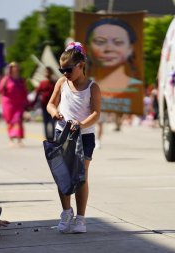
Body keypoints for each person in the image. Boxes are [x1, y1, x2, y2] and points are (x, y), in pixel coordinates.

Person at [47, 41, 101, 233]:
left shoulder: (92, 87)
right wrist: (54, 113)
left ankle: (81, 219)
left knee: (81, 177)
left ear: (81, 65)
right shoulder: (62, 83)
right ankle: (66, 212)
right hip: (62, 134)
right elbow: (51, 104)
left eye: (68, 69)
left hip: (84, 136)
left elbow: (96, 113)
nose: (64, 73)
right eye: (62, 69)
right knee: (63, 174)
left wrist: (82, 124)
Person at [85, 18, 142, 92]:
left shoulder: (137, 87)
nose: (109, 49)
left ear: (130, 48)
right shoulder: (80, 88)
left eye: (118, 42)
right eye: (100, 42)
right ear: (88, 47)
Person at [0, 62, 28, 147]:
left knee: (18, 120)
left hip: (19, 103)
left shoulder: (21, 79)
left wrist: (26, 102)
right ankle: (11, 139)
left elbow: (25, 91)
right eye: (13, 67)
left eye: (16, 67)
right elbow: (0, 90)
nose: (15, 68)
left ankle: (19, 139)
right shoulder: (6, 79)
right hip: (8, 103)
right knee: (10, 122)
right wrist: (5, 79)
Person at [31, 66, 56, 140]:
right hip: (44, 105)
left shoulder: (54, 83)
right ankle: (47, 138)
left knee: (52, 122)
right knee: (45, 122)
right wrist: (33, 103)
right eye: (46, 72)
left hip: (52, 106)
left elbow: (58, 94)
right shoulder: (42, 83)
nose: (47, 73)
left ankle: (52, 137)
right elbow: (37, 94)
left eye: (48, 72)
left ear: (51, 73)